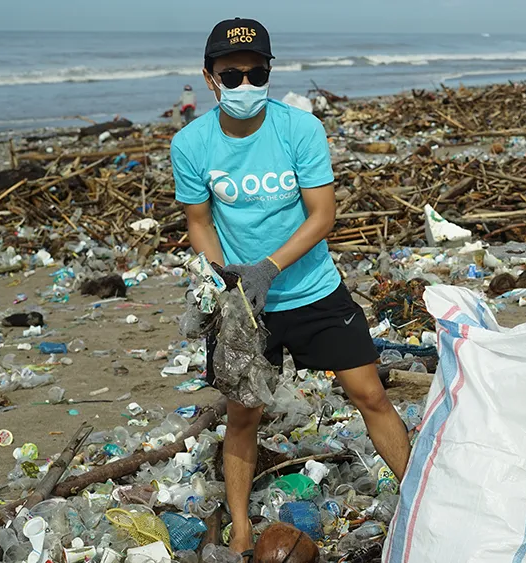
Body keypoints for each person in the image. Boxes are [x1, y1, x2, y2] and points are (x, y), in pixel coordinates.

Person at [171, 17, 412, 556]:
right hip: (245, 309)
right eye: (231, 76)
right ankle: (239, 532)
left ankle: (422, 499)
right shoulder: (190, 144)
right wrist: (223, 281)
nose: (245, 85)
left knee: (370, 393)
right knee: (243, 414)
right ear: (209, 78)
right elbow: (200, 222)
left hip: (314, 291)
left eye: (257, 72)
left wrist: (268, 268)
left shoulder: (299, 130)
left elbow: (322, 215)